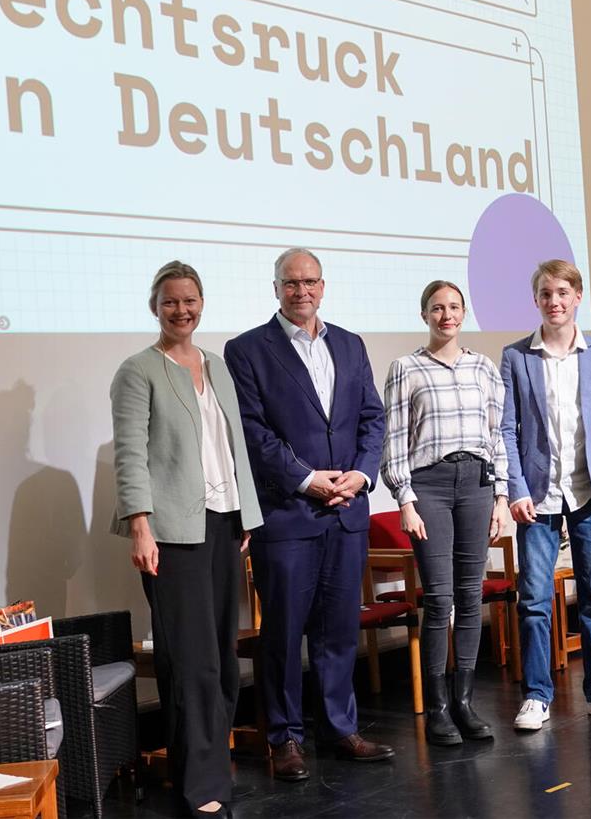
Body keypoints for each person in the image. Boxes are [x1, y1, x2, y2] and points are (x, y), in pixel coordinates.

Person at [223, 248, 393, 781]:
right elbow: (253, 432)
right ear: (275, 287)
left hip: (347, 511)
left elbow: (372, 417)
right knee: (283, 634)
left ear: (324, 286)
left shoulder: (349, 342)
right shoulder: (246, 350)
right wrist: (307, 479)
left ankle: (340, 728)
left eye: (311, 281)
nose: (302, 291)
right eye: (292, 283)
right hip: (288, 514)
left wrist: (361, 475)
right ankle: (286, 739)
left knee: (338, 631)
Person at [110, 260, 263, 815]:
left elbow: (234, 443)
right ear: (156, 306)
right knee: (192, 659)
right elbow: (130, 455)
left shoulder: (217, 366)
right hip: (171, 534)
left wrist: (246, 512)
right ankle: (202, 784)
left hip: (223, 524)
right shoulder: (138, 370)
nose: (182, 310)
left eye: (190, 300)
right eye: (171, 301)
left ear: (203, 304)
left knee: (221, 656)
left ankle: (202, 768)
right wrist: (140, 526)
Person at [501, 259, 591, 729]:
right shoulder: (517, 356)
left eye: (562, 292)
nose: (554, 301)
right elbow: (506, 429)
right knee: (535, 599)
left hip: (590, 493)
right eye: (545, 294)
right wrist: (515, 488)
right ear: (535, 300)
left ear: (577, 296)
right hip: (537, 498)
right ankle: (537, 695)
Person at [380, 281, 512, 745]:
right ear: (424, 315)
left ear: (464, 313)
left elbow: (496, 436)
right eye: (437, 308)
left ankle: (465, 702)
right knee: (440, 599)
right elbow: (394, 438)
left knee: (470, 596)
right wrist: (405, 499)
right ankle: (436, 708)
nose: (447, 315)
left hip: (476, 484)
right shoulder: (405, 368)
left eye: (454, 307)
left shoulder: (484, 368)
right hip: (430, 487)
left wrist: (500, 496)